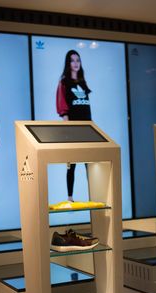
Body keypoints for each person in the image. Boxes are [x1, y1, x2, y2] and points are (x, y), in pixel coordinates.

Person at [56, 50, 91, 201]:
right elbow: (62, 106)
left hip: (88, 128)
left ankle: (93, 193)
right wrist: (68, 126)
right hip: (73, 128)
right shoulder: (64, 83)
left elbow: (87, 106)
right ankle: (70, 198)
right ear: (68, 63)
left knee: (89, 163)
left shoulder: (83, 83)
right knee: (72, 163)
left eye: (78, 60)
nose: (76, 63)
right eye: (72, 60)